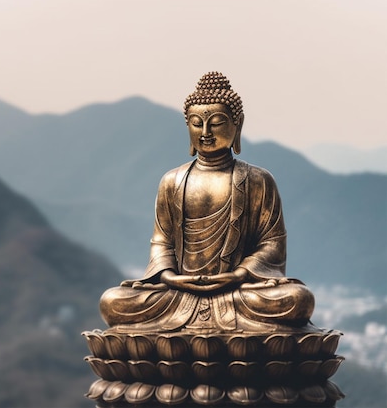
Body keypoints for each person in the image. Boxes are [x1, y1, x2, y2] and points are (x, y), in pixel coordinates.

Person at [100, 72, 315, 332]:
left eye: (216, 123)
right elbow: (161, 242)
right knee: (113, 302)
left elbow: (272, 243)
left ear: (238, 125)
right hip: (179, 294)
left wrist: (239, 274)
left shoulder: (258, 180)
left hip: (237, 292)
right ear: (187, 126)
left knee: (297, 300)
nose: (205, 132)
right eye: (196, 123)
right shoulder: (173, 181)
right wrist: (170, 277)